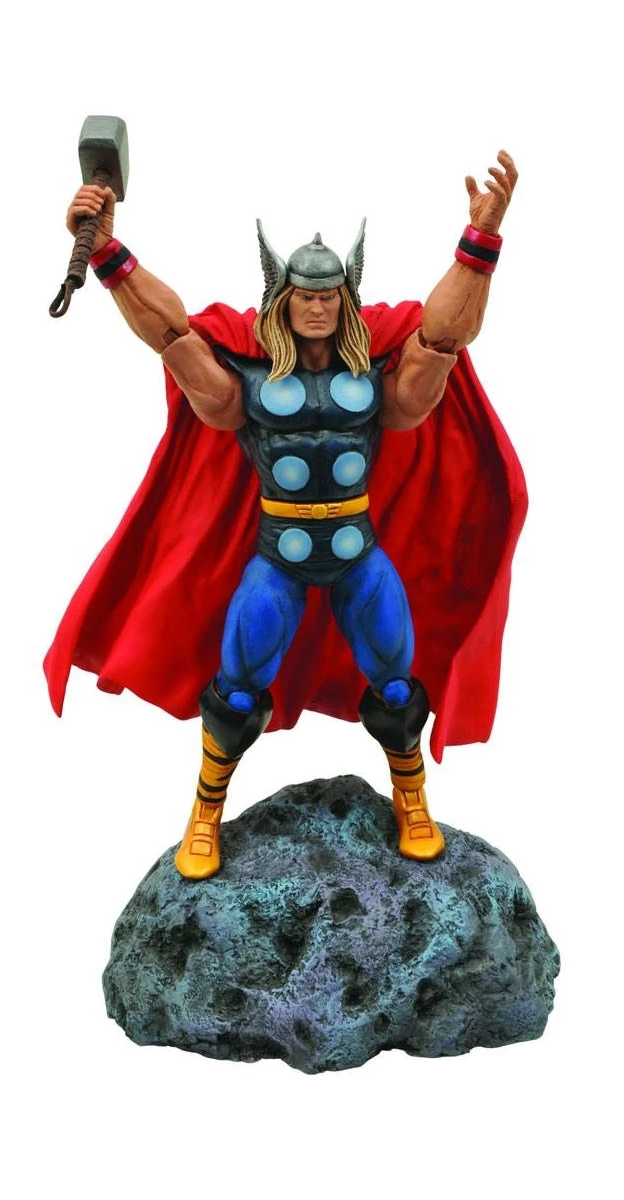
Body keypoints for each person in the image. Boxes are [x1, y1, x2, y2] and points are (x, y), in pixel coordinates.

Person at [45, 152, 526, 880]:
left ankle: (412, 800)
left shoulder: (376, 381)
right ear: (281, 297)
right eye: (305, 295)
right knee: (237, 687)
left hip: (358, 552)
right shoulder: (248, 385)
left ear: (346, 298)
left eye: (329, 295)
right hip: (281, 556)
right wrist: (109, 253)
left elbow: (441, 341)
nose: (317, 307)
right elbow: (172, 337)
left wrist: (480, 243)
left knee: (396, 684)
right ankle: (205, 813)